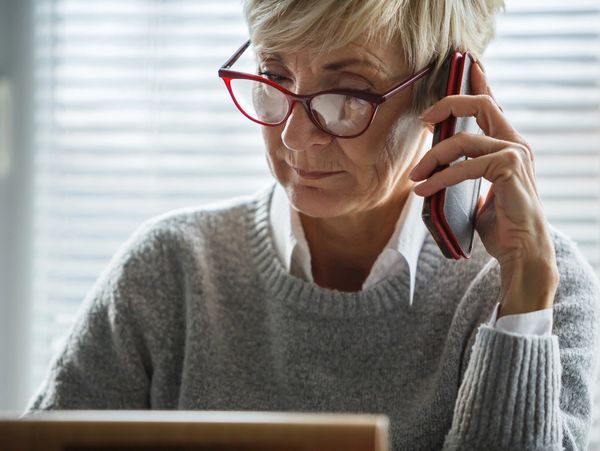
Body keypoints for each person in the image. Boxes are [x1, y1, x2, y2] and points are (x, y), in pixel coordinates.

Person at [27, 0, 600, 450]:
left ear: (448, 92)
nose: (294, 138)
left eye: (347, 97)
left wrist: (522, 310)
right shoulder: (167, 273)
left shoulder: (539, 287)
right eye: (274, 77)